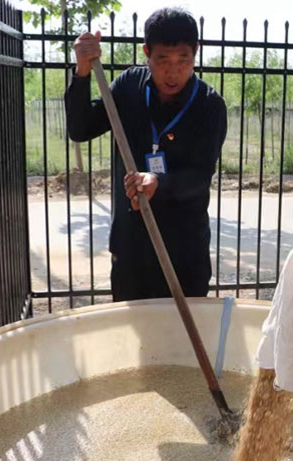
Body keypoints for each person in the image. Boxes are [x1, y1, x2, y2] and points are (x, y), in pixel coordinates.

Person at [66, 8, 227, 302]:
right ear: (146, 53)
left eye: (184, 61)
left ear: (196, 54)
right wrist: (82, 71)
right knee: (134, 339)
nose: (173, 72)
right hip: (131, 247)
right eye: (163, 60)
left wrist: (159, 183)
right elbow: (80, 128)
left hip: (184, 251)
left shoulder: (210, 106)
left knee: (181, 342)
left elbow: (199, 177)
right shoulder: (129, 87)